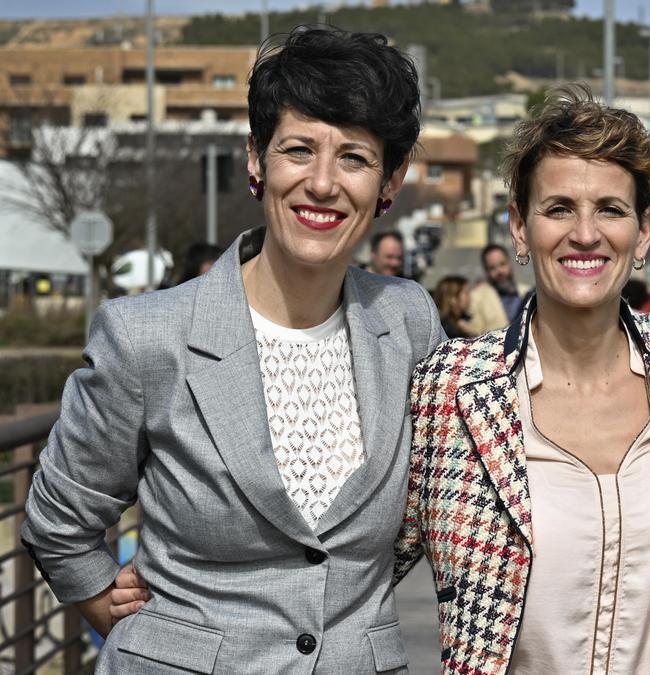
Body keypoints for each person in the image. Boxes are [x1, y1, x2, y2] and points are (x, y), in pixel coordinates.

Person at [21, 27, 438, 673]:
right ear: (256, 159)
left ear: (390, 179)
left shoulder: (408, 320)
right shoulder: (147, 335)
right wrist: (119, 615)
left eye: (354, 158)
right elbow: (58, 516)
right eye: (298, 150)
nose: (323, 183)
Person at [393, 84, 650, 673]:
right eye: (559, 208)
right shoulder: (449, 391)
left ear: (643, 231)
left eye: (611, 210)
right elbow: (350, 569)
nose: (586, 234)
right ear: (520, 227)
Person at [480, 243, 526, 322]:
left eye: (502, 264)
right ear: (486, 271)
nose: (499, 271)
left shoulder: (527, 293)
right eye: (492, 268)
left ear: (509, 263)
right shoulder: (478, 299)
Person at [432, 274, 474, 339]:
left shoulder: (465, 320)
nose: (469, 297)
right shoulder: (446, 330)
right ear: (453, 298)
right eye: (466, 293)